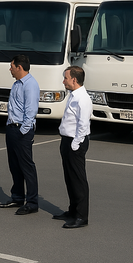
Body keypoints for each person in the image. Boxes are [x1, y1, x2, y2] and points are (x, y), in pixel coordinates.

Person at [0, 54, 39, 215]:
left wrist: (23, 131)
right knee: (14, 166)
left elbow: (31, 110)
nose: (10, 69)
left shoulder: (30, 85)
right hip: (12, 128)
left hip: (22, 130)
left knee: (27, 167)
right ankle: (17, 197)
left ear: (19, 67)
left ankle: (32, 202)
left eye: (12, 66)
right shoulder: (17, 84)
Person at [54, 66, 90, 228]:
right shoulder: (73, 95)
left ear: (74, 80)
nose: (64, 81)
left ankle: (82, 216)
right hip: (67, 141)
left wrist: (75, 144)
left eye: (66, 78)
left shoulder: (82, 98)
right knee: (69, 178)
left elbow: (83, 124)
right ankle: (73, 210)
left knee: (78, 180)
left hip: (75, 142)